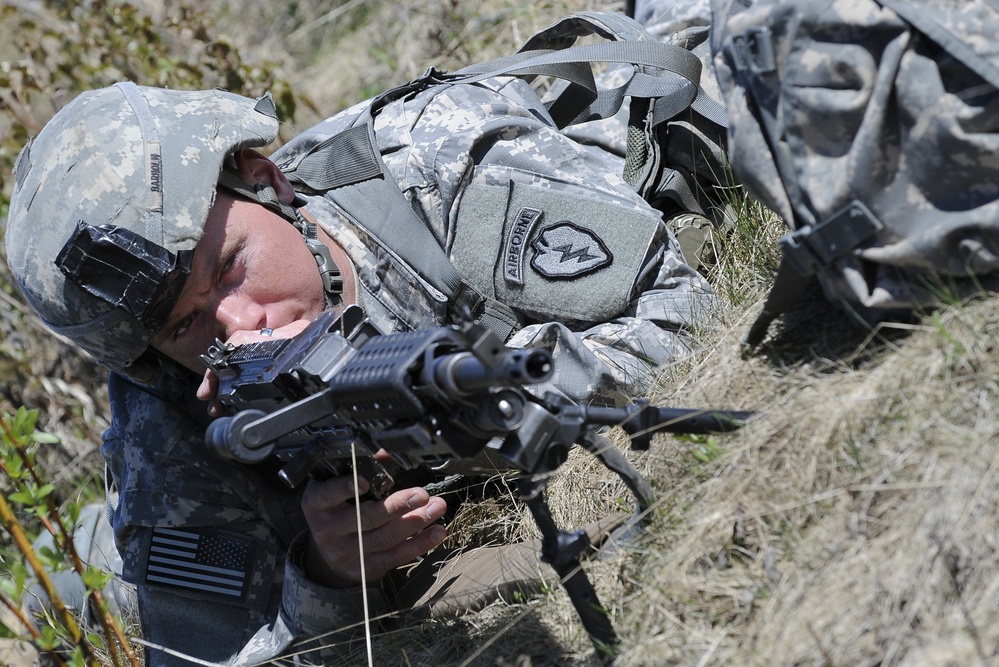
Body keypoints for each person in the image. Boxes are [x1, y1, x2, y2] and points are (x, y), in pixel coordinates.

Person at [4, 11, 722, 667]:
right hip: (180, 521)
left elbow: (683, 304)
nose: (239, 322)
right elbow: (208, 650)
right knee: (74, 593)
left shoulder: (428, 163)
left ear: (264, 180)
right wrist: (328, 576)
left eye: (228, 269)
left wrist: (515, 397)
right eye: (187, 325)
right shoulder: (165, 413)